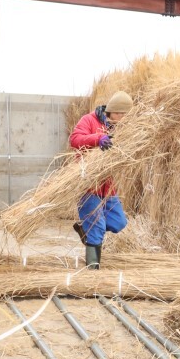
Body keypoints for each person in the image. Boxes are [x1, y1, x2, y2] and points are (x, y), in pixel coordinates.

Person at [69, 91, 133, 269]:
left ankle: (85, 229)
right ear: (115, 112)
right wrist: (98, 139)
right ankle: (93, 272)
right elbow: (74, 139)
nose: (124, 119)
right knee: (97, 228)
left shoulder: (122, 129)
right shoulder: (89, 120)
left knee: (119, 222)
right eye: (122, 114)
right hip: (88, 184)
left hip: (108, 187)